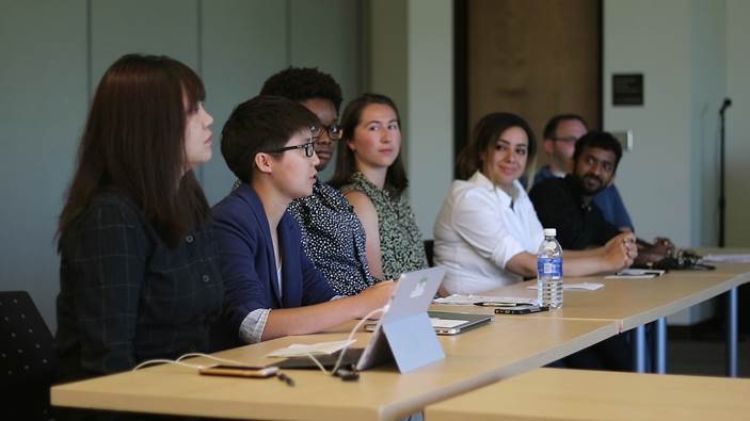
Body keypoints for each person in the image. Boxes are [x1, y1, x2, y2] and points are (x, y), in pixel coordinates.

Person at [55, 54, 222, 384]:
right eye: (193, 110)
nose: (209, 119)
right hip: (135, 403)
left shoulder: (189, 200)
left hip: (191, 392)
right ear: (150, 124)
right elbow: (108, 363)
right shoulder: (110, 217)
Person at [212, 95, 394, 347]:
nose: (316, 161)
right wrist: (360, 304)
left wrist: (377, 305)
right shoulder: (230, 220)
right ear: (265, 161)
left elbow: (322, 297)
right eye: (305, 149)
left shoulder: (286, 222)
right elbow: (251, 324)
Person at [433, 112, 636, 295]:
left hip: (508, 304)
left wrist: (607, 250)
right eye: (501, 147)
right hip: (468, 313)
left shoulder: (517, 191)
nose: (511, 158)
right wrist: (605, 262)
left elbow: (542, 251)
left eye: (520, 151)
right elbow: (527, 265)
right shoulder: (469, 197)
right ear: (483, 152)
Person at [257, 67, 375, 295]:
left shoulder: (329, 195)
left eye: (331, 127)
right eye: (312, 127)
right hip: (322, 323)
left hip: (358, 317)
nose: (324, 139)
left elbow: (359, 277)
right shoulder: (269, 199)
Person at [530, 130, 672, 265]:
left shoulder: (590, 209)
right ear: (573, 163)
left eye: (606, 166)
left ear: (612, 178)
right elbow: (575, 250)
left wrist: (654, 248)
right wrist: (648, 256)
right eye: (590, 161)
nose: (596, 171)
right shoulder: (549, 192)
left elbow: (616, 238)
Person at [330, 94, 428, 281]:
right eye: (374, 128)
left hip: (423, 304)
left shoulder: (395, 196)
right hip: (390, 308)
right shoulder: (356, 199)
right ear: (350, 140)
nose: (386, 137)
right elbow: (376, 285)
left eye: (392, 126)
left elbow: (422, 269)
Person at [533, 114, 634, 231]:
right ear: (549, 145)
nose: (596, 171)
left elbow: (623, 232)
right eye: (572, 140)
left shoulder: (604, 187)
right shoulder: (533, 185)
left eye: (584, 139)